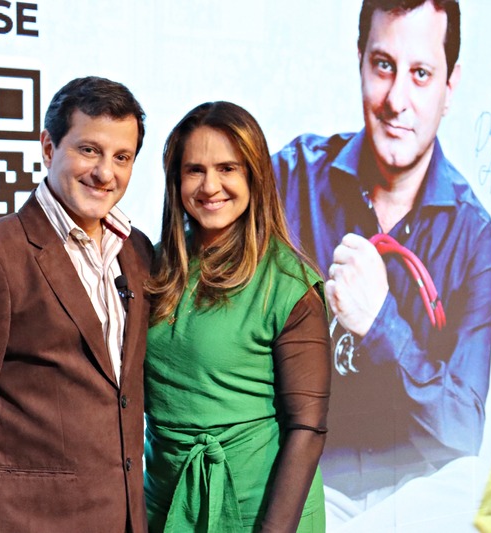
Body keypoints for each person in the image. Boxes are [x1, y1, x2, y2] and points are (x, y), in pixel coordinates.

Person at [272, 0, 491, 517]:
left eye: (421, 74)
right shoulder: (291, 179)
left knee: (475, 483)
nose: (398, 100)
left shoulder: (473, 235)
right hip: (303, 484)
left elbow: (462, 432)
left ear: (450, 86)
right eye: (383, 66)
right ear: (359, 61)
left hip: (411, 499)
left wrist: (381, 324)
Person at [0, 76, 152, 532]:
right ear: (48, 147)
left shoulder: (137, 250)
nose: (105, 173)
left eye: (122, 157)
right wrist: (5, 494)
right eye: (89, 150)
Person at [144, 101, 331, 532]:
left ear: (254, 176)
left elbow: (308, 428)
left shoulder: (289, 283)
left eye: (227, 168)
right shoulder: (152, 268)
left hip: (259, 514)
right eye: (195, 170)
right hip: (166, 509)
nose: (210, 186)